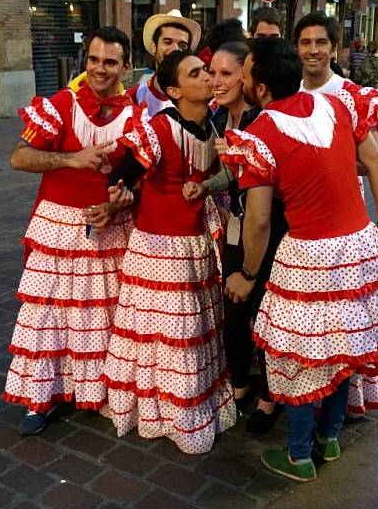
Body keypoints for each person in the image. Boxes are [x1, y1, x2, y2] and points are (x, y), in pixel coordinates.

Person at [221, 37, 378, 481]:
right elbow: (376, 165)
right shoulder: (340, 106)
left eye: (245, 73)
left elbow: (260, 220)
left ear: (261, 87)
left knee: (301, 356)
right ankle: (330, 437)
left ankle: (299, 455)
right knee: (344, 349)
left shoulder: (259, 134)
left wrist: (248, 274)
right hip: (359, 245)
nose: (242, 80)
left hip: (310, 254)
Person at [2, 26, 138, 436]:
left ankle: (95, 391)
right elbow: (19, 158)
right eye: (93, 60)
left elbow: (141, 176)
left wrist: (117, 203)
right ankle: (39, 397)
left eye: (110, 62)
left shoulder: (139, 115)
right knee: (47, 316)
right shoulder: (60, 105)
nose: (99, 69)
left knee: (105, 314)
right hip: (57, 228)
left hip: (110, 227)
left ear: (126, 68)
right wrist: (71, 159)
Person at [101, 49, 237, 454]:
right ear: (175, 89)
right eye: (197, 73)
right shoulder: (159, 128)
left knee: (193, 330)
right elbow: (131, 163)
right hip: (160, 248)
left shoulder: (215, 123)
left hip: (197, 241)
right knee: (168, 333)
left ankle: (192, 400)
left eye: (208, 71)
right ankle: (166, 410)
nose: (208, 78)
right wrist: (120, 185)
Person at [296, 12, 378, 417]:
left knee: (344, 315)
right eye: (305, 43)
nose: (313, 50)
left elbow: (375, 163)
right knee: (307, 314)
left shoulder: (352, 95)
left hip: (342, 216)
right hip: (301, 215)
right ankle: (309, 393)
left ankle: (341, 399)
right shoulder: (290, 89)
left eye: (321, 42)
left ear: (334, 48)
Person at [188, 41, 287, 435]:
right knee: (235, 312)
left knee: (264, 313)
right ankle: (241, 385)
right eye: (212, 72)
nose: (216, 80)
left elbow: (259, 178)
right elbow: (233, 172)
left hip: (269, 228)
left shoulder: (260, 119)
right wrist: (208, 184)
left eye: (227, 74)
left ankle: (269, 397)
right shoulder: (221, 117)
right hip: (237, 222)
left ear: (248, 79)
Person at [126, 10, 201, 117]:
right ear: (154, 46)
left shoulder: (199, 98)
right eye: (167, 42)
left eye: (182, 45)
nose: (175, 49)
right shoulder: (133, 97)